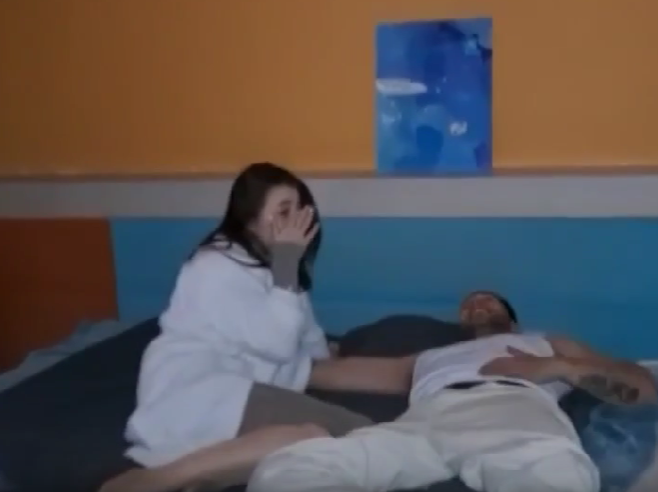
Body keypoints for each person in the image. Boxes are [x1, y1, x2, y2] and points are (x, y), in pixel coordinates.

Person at [99, 163, 419, 492]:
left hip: (243, 383)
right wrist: (287, 263)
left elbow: (307, 340)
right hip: (198, 388)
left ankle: (209, 475)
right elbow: (277, 344)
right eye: (283, 212)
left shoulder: (273, 267)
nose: (294, 223)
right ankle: (164, 477)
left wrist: (336, 355)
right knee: (344, 441)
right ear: (250, 218)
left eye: (299, 211)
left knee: (350, 436)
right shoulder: (214, 267)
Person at [246, 291, 658, 492]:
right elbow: (327, 373)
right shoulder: (430, 356)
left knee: (554, 477)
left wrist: (557, 368)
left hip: (513, 410)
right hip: (429, 418)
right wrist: (247, 363)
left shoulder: (547, 342)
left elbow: (642, 388)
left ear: (512, 320)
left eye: (488, 301)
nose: (476, 305)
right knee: (290, 469)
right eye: (469, 305)